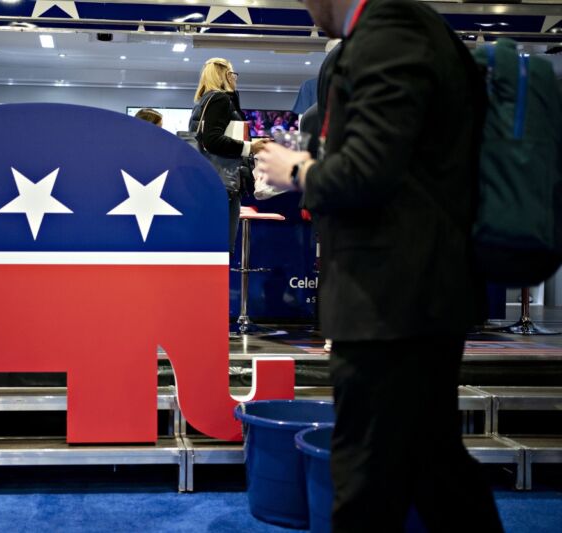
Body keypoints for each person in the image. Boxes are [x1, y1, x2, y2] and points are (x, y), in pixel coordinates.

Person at [255, 0, 503, 532]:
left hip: (391, 300)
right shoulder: (409, 30)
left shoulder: (390, 33)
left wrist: (296, 168)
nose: (305, 8)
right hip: (409, 295)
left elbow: (368, 173)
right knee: (432, 468)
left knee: (368, 474)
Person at [189, 57, 268, 251]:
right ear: (224, 75)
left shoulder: (203, 101)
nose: (235, 78)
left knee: (208, 246)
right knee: (221, 249)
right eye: (232, 73)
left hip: (206, 181)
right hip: (223, 181)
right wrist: (251, 147)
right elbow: (212, 140)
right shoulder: (220, 99)